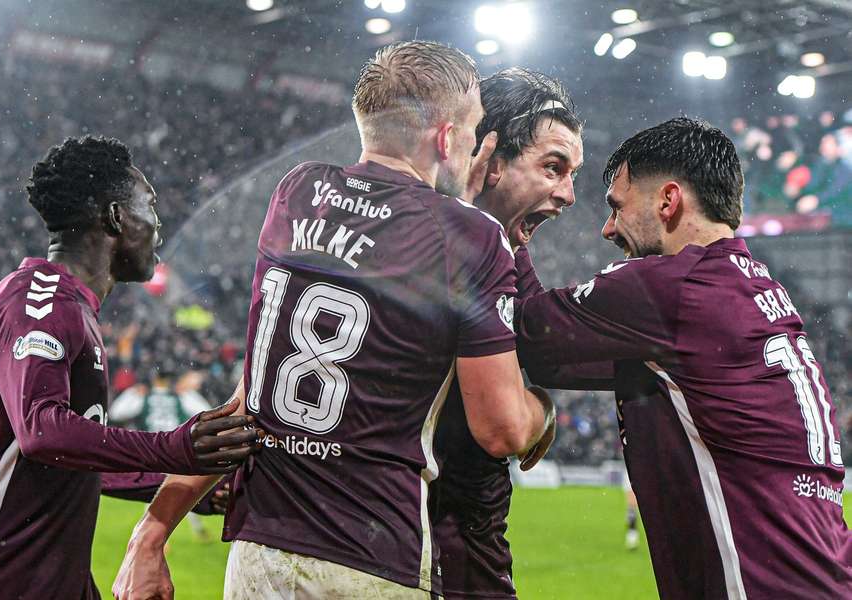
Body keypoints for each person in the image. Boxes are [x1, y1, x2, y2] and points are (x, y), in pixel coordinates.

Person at [113, 41, 555, 600]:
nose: (474, 147)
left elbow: (251, 398)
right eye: (471, 131)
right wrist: (544, 411)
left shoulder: (297, 191)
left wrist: (150, 535)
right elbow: (502, 430)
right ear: (446, 138)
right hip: (371, 557)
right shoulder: (469, 235)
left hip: (261, 554)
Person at [516, 117, 851, 598]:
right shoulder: (752, 290)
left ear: (668, 201)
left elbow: (527, 327)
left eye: (617, 207)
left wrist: (510, 222)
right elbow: (553, 361)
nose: (608, 228)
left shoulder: (673, 286)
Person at [0, 136, 263, 600]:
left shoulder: (71, 307)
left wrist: (162, 484)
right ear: (116, 216)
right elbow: (42, 433)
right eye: (150, 205)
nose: (158, 224)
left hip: (51, 577)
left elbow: (64, 457)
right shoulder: (40, 299)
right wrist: (172, 449)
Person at [429, 67, 583, 600]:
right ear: (489, 159)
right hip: (443, 552)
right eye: (553, 167)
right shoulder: (446, 245)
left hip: (403, 542)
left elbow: (546, 342)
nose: (567, 194)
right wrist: (541, 412)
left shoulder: (499, 251)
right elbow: (506, 431)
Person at [109, 364, 214, 540]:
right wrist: (189, 392)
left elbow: (116, 413)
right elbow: (207, 411)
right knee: (181, 489)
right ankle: (161, 534)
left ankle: (151, 535)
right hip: (177, 449)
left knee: (157, 491)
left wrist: (132, 393)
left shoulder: (143, 395)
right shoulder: (180, 396)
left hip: (152, 450)